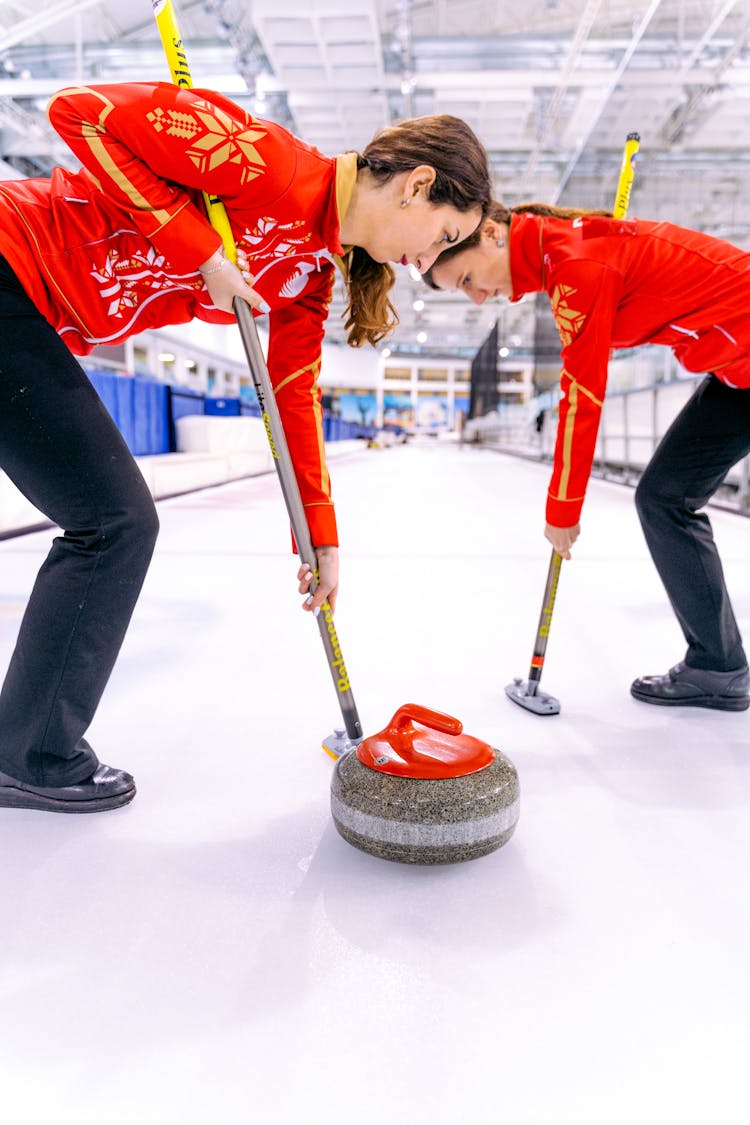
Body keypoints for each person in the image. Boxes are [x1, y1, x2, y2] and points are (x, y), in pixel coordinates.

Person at [0, 81, 491, 813]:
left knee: (110, 519)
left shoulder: (310, 272)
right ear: (419, 185)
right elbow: (81, 113)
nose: (431, 259)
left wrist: (319, 539)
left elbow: (292, 397)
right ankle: (30, 752)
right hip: (13, 260)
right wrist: (198, 250)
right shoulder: (265, 161)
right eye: (446, 234)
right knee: (114, 521)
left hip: (32, 314)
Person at [426, 200, 750, 712]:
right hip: (737, 374)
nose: (479, 295)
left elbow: (582, 395)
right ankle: (718, 666)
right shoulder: (564, 256)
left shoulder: (575, 264)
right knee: (665, 497)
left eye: (467, 278)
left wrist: (562, 510)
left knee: (666, 497)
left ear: (490, 233)